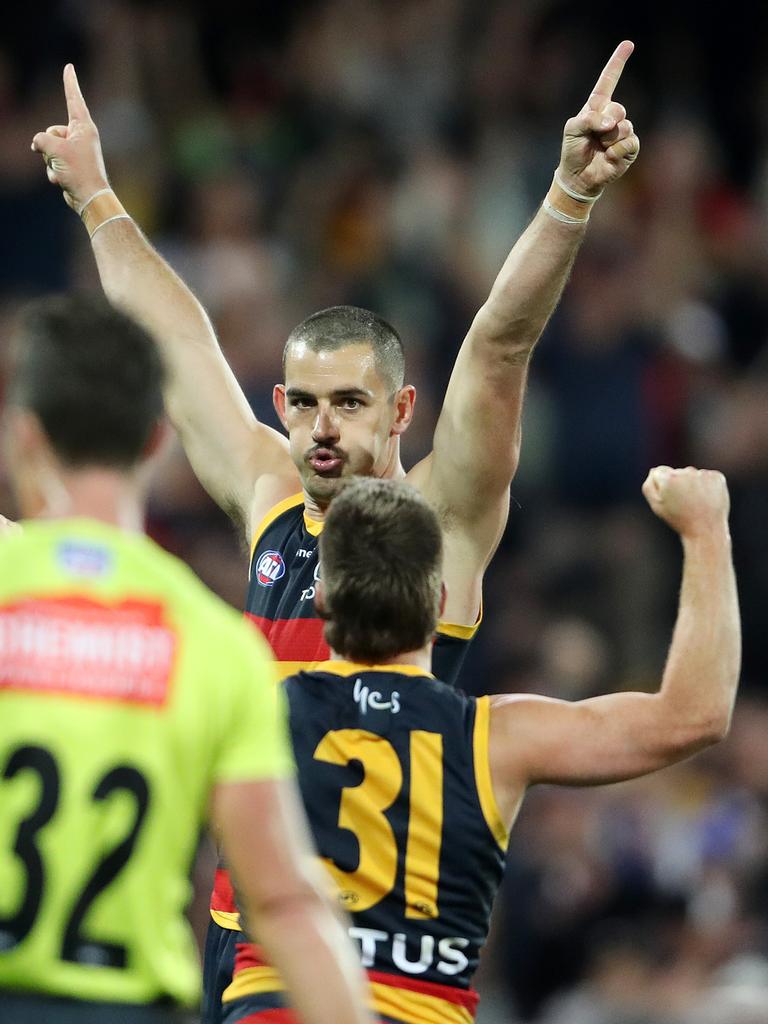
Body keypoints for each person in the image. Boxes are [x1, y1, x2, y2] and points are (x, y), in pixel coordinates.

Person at [31, 40, 641, 1017]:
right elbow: (178, 344)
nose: (322, 428)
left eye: (350, 403)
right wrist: (99, 201)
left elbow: (498, 345)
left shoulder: (444, 516)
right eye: (304, 402)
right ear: (281, 401)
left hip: (394, 952)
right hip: (255, 936)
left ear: (401, 412)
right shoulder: (272, 491)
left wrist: (569, 193)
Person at [218, 472, 740, 1024]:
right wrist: (705, 529)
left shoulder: (257, 713)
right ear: (438, 599)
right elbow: (696, 713)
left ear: (322, 597)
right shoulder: (495, 737)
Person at [0, 295, 373, 1024]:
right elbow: (285, 902)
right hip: (129, 1004)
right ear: (156, 441)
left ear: (25, 438)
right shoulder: (216, 646)